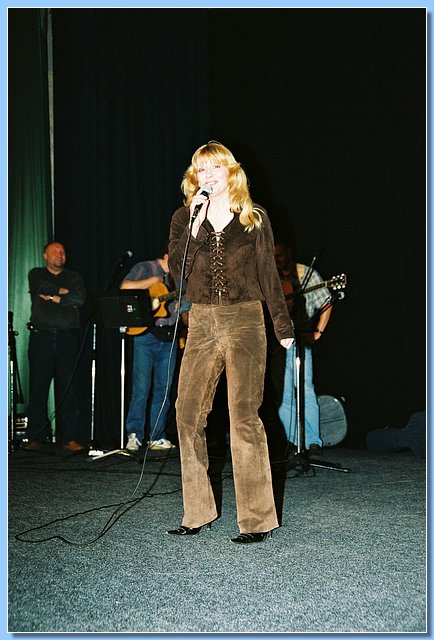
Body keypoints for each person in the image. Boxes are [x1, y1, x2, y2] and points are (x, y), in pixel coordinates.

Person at [167, 141, 295, 544]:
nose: (207, 176)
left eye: (214, 168)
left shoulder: (253, 217)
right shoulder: (185, 217)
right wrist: (193, 227)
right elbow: (177, 273)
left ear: (230, 172)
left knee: (243, 416)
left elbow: (269, 274)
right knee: (187, 414)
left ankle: (257, 520)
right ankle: (197, 511)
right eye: (200, 170)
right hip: (202, 322)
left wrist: (282, 324)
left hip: (245, 319)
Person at [120, 245, 189, 451]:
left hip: (170, 337)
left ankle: (156, 436)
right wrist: (152, 281)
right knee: (141, 388)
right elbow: (125, 286)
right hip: (146, 335)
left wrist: (184, 307)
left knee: (164, 389)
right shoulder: (146, 267)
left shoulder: (181, 279)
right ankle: (134, 435)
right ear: (167, 256)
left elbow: (185, 306)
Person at [23, 241, 87, 452]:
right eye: (55, 251)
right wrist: (62, 293)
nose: (60, 255)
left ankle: (69, 437)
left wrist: (53, 297)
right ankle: (36, 436)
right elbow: (40, 286)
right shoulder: (36, 273)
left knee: (68, 388)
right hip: (41, 338)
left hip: (67, 339)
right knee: (38, 388)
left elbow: (79, 298)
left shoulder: (74, 277)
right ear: (45, 255)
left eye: (62, 251)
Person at [274, 240, 332, 455]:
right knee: (283, 393)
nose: (276, 260)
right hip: (274, 344)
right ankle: (292, 440)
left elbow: (326, 301)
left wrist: (317, 333)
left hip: (298, 340)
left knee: (305, 388)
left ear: (288, 253)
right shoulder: (268, 275)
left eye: (280, 255)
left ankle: (313, 441)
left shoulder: (305, 273)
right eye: (272, 256)